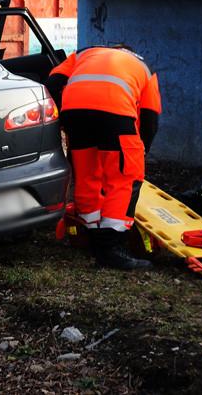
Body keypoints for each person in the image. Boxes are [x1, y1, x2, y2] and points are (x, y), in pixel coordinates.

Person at [46, 45, 161, 270]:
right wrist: (142, 147)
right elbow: (150, 116)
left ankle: (90, 232)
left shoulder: (83, 54)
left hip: (74, 112)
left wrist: (63, 113)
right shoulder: (144, 68)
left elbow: (52, 81)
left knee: (87, 174)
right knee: (125, 178)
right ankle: (111, 249)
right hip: (115, 112)